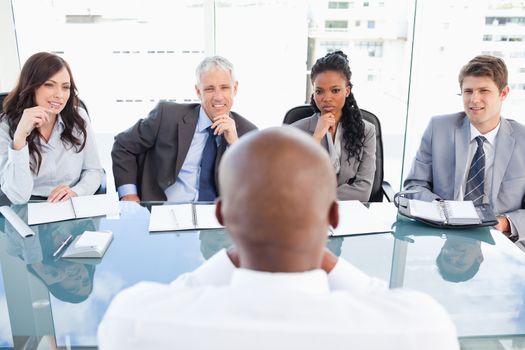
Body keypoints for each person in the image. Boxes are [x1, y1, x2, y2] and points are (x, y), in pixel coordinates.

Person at [98, 127, 458, 349]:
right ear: (333, 216)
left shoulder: (135, 320)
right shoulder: (420, 328)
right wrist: (320, 252)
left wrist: (239, 250)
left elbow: (180, 292)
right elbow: (382, 299)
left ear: (222, 215)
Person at [403, 55, 525, 242]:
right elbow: (414, 186)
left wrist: (504, 223)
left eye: (483, 90)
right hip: (443, 234)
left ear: (504, 93)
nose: (474, 100)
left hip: (499, 240)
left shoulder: (522, 139)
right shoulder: (439, 128)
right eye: (468, 91)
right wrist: (441, 209)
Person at [111, 56, 257, 202]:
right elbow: (123, 145)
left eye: (225, 88)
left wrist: (235, 145)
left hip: (218, 218)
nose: (218, 97)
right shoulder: (167, 116)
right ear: (198, 91)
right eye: (209, 89)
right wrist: (129, 195)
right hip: (165, 212)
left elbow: (256, 188)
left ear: (235, 89)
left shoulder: (248, 133)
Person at [0, 52, 103, 204]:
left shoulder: (78, 117)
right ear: (31, 86)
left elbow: (94, 171)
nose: (59, 95)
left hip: (70, 203)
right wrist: (20, 137)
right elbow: (18, 197)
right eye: (49, 85)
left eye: (65, 87)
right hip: (28, 206)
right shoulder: (6, 125)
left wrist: (76, 192)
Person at [292, 50, 376, 201]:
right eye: (319, 91)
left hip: (351, 212)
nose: (327, 98)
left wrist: (318, 197)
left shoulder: (367, 131)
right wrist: (316, 136)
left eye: (335, 90)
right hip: (308, 214)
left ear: (347, 91)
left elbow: (363, 190)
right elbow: (291, 184)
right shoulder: (295, 131)